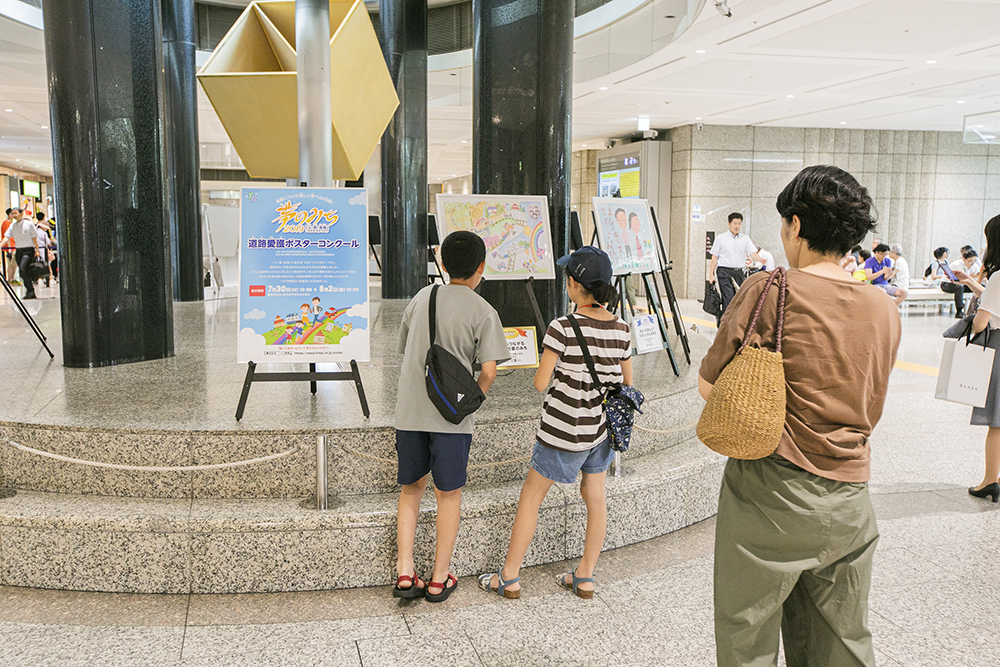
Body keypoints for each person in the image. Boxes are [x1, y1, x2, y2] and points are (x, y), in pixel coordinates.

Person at [700, 165, 900, 667]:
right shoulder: (883, 308)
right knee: (842, 643)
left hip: (769, 493)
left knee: (748, 638)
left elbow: (710, 386)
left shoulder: (769, 290)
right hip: (850, 498)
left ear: (794, 225)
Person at [478, 246, 631, 600]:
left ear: (575, 286)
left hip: (562, 429)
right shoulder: (622, 330)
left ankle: (510, 577)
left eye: (568, 278)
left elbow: (540, 382)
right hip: (600, 431)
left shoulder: (562, 327)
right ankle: (585, 576)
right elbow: (625, 383)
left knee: (531, 498)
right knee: (595, 497)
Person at [392, 230, 510, 602]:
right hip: (451, 420)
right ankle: (440, 578)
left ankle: (406, 573)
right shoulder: (483, 311)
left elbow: (404, 350)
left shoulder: (421, 297)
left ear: (442, 265)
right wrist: (470, 402)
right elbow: (488, 371)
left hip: (410, 413)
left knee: (411, 490)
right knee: (449, 495)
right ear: (481, 267)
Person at [951, 214, 1000, 503]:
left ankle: (988, 482)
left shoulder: (998, 275)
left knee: (997, 422)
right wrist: (971, 282)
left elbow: (982, 322)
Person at [709, 212, 764, 316]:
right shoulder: (721, 238)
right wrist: (711, 275)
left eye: (739, 223)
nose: (737, 226)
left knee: (741, 298)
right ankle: (725, 326)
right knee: (728, 299)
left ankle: (731, 322)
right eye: (735, 223)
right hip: (724, 271)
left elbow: (752, 253)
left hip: (738, 272)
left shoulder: (745, 238)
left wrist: (761, 259)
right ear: (729, 224)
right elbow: (714, 257)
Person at [2, 207, 40, 299]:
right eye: (12, 213)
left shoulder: (29, 224)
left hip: (28, 251)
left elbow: (34, 237)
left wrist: (37, 250)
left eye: (16, 213)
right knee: (22, 272)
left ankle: (30, 290)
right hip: (19, 251)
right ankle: (30, 291)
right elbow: (6, 237)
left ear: (21, 213)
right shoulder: (12, 226)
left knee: (23, 268)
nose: (14, 215)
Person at [942, 248, 981, 317]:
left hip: (964, 284)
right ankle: (959, 311)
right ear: (964, 259)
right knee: (959, 287)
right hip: (948, 284)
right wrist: (971, 277)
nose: (972, 263)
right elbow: (956, 280)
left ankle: (977, 309)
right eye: (970, 261)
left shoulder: (975, 266)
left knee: (980, 286)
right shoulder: (956, 265)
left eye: (974, 261)